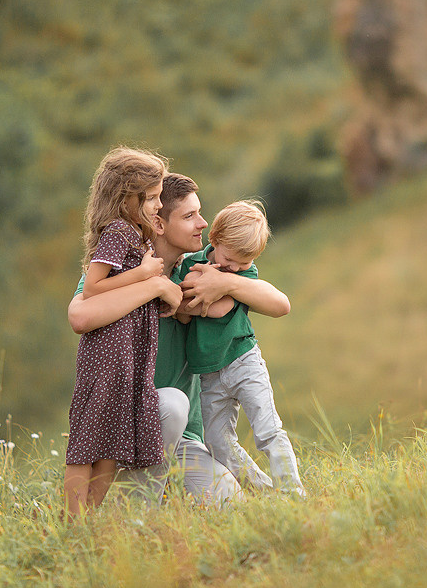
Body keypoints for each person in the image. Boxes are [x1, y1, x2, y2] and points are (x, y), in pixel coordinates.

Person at [68, 174, 290, 505]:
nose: (203, 223)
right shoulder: (122, 270)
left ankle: (168, 491)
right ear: (158, 224)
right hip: (128, 430)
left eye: (199, 213)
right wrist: (156, 286)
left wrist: (228, 285)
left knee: (230, 503)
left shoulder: (201, 270)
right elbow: (79, 315)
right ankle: (135, 513)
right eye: (189, 216)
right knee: (172, 404)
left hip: (184, 439)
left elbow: (279, 304)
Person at [64, 146, 178, 516]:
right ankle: (73, 520)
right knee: (89, 437)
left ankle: (89, 518)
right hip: (107, 349)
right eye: (153, 197)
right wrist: (144, 274)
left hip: (130, 350)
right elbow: (93, 288)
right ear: (127, 197)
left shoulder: (137, 234)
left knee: (113, 438)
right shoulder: (118, 231)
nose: (159, 204)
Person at [175, 199, 305, 496]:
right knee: (217, 441)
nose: (234, 268)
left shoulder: (244, 273)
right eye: (230, 259)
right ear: (215, 239)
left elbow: (219, 308)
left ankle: (292, 492)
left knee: (268, 429)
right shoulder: (189, 264)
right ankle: (264, 490)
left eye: (243, 264)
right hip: (209, 373)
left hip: (243, 361)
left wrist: (203, 291)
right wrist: (188, 299)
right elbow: (183, 312)